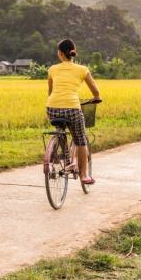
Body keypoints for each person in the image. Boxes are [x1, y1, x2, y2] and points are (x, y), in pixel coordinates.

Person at [46, 38, 101, 185]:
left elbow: (50, 92)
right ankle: (83, 175)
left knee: (61, 129)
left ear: (60, 53)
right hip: (72, 108)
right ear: (72, 52)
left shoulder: (52, 69)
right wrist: (96, 97)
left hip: (52, 108)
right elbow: (95, 91)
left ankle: (60, 152)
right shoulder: (82, 70)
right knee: (80, 140)